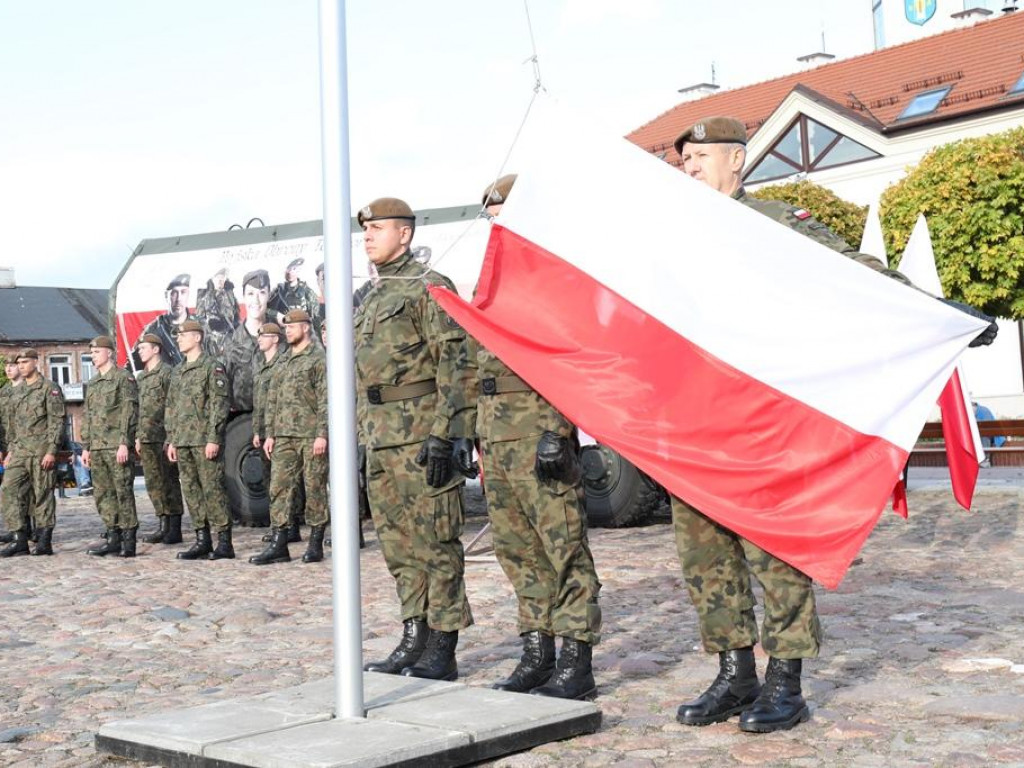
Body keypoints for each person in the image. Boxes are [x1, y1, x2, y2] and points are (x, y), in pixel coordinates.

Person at [669, 116, 998, 734]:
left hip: (761, 415)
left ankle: (785, 682)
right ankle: (734, 674)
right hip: (693, 419)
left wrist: (939, 315)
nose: (688, 168)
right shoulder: (670, 238)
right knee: (703, 553)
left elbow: (856, 271)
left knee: (773, 546)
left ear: (736, 160)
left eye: (699, 157)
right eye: (683, 161)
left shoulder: (774, 223)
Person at [473, 175, 603, 700]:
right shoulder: (491, 278)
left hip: (537, 431)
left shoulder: (552, 273)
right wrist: (468, 432)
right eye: (490, 213)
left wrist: (557, 429)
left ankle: (576, 660)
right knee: (516, 548)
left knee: (562, 545)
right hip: (497, 434)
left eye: (500, 209)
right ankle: (538, 650)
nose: (493, 219)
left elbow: (568, 357)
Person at [355, 197, 476, 681]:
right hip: (381, 437)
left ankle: (443, 646)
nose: (367, 236)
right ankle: (414, 636)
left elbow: (455, 363)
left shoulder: (428, 288)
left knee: (436, 542)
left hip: (420, 435)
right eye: (365, 229)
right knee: (399, 545)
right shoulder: (373, 296)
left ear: (404, 234)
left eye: (377, 228)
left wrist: (446, 433)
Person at [251, 309, 329, 565]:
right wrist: (270, 433)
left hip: (310, 435)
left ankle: (315, 542)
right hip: (284, 436)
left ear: (306, 327)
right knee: (279, 488)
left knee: (314, 487)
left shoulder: (318, 359)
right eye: (286, 327)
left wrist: (322, 434)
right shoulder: (282, 361)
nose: (288, 331)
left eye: (292, 327)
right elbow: (273, 398)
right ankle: (279, 543)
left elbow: (325, 399)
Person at [165, 319, 234, 561]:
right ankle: (202, 539)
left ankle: (224, 541)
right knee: (192, 491)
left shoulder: (211, 367)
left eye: (183, 335)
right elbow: (171, 407)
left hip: (204, 440)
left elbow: (219, 404)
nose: (178, 338)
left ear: (197, 337)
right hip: (183, 440)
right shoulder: (178, 371)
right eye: (178, 335)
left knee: (213, 489)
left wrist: (214, 438)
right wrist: (171, 440)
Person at [0, 349, 65, 557]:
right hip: (19, 452)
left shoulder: (49, 388)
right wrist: (10, 450)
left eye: (25, 362)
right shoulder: (16, 392)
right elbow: (13, 425)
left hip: (40, 452)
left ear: (36, 362)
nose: (21, 366)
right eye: (18, 363)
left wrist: (51, 451)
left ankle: (44, 540)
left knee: (43, 495)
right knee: (8, 488)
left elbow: (57, 421)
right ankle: (19, 538)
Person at [82, 336, 140, 558]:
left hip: (116, 446)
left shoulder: (122, 378)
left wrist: (125, 442)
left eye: (97, 352)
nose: (93, 356)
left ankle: (128, 539)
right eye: (92, 353)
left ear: (109, 353)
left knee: (122, 491)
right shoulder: (94, 383)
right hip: (97, 447)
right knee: (103, 494)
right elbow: (87, 416)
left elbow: (129, 412)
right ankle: (112, 536)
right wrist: (86, 446)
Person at [136, 333, 186, 545]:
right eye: (139, 348)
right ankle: (162, 523)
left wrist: (172, 436)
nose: (140, 351)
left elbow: (173, 405)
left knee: (169, 481)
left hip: (163, 437)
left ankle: (174, 527)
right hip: (146, 437)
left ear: (156, 349)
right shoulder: (141, 377)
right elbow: (137, 409)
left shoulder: (167, 374)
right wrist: (137, 436)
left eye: (144, 347)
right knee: (154, 483)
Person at [224, 269, 280, 412]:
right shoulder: (230, 342)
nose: (255, 300)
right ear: (243, 297)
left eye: (261, 293)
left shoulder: (283, 339)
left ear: (269, 295)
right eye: (250, 293)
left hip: (280, 424)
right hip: (242, 426)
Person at [0, 354, 33, 544]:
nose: (9, 369)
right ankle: (18, 528)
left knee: (29, 491)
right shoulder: (4, 391)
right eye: (7, 366)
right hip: (8, 444)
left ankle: (31, 528)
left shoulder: (28, 389)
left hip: (25, 445)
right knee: (12, 489)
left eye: (13, 365)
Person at [141, 274, 200, 366]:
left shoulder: (201, 326)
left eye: (183, 292)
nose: (178, 299)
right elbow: (133, 364)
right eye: (174, 293)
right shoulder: (153, 330)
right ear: (166, 295)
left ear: (188, 295)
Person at [195, 267, 240, 361]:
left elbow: (236, 320)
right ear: (212, 278)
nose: (220, 280)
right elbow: (199, 319)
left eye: (223, 277)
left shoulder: (230, 296)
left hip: (227, 342)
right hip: (209, 342)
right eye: (218, 277)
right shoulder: (203, 295)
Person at [268, 257, 321, 330]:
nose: (290, 272)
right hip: (284, 334)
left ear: (298, 270)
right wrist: (277, 315)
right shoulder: (278, 291)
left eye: (294, 269)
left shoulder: (307, 292)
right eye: (288, 269)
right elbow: (266, 310)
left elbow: (316, 317)